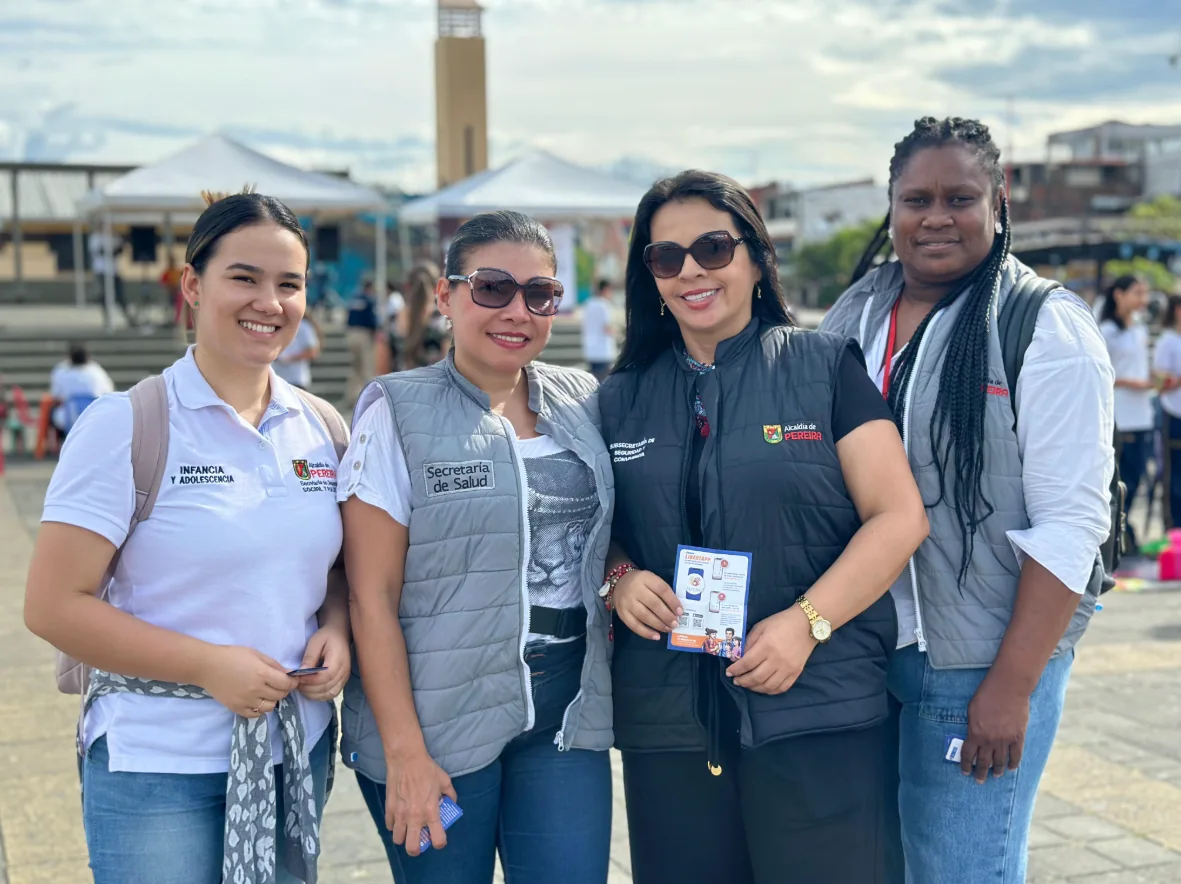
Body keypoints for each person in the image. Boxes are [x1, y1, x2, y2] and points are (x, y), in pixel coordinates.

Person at [598, 170, 929, 884]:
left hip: (817, 710)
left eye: (712, 248)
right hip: (670, 723)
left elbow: (898, 517)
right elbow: (597, 531)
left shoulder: (821, 368)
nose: (691, 271)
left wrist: (805, 623)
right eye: (665, 257)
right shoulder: (619, 398)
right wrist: (620, 577)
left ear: (754, 258)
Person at [24, 191, 352, 884]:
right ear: (193, 286)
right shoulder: (128, 423)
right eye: (245, 277)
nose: (270, 301)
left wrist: (338, 628)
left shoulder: (320, 426)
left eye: (288, 284)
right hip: (157, 764)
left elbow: (332, 574)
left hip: (293, 750)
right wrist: (208, 666)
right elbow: (53, 606)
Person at [822, 117, 1115, 884]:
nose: (935, 217)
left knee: (960, 871)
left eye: (959, 197)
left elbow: (1071, 523)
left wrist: (1009, 688)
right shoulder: (856, 313)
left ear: (998, 198)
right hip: (866, 653)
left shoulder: (1041, 325)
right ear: (890, 206)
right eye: (915, 199)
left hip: (975, 660)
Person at [338, 210, 615, 884]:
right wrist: (404, 753)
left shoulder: (582, 398)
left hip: (564, 711)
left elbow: (610, 535)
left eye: (539, 293)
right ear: (445, 296)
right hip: (436, 718)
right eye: (491, 288)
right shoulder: (396, 410)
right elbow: (369, 596)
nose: (516, 310)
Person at [1099, 275, 1154, 549]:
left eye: (1144, 293)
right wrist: (1130, 382)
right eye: (1136, 292)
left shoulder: (1140, 329)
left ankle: (1125, 532)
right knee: (1123, 479)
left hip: (1142, 414)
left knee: (1138, 476)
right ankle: (1116, 535)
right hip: (1121, 416)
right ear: (1118, 294)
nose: (1142, 299)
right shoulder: (1107, 330)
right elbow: (1101, 374)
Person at [1153, 295, 1181, 527]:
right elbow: (1159, 382)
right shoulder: (1167, 341)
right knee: (1174, 477)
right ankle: (1173, 528)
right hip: (1174, 415)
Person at [49, 343, 115, 437]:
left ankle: (60, 445)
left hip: (68, 417)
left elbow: (55, 396)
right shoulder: (97, 372)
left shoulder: (61, 372)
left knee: (54, 414)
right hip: (95, 416)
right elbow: (108, 392)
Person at [398, 262, 452, 368]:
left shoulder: (393, 319)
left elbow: (382, 369)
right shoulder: (443, 319)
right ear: (438, 288)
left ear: (407, 286)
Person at [346, 279, 381, 405]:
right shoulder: (369, 300)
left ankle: (352, 396)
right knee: (366, 366)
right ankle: (369, 397)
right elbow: (372, 320)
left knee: (355, 366)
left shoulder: (354, 299)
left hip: (351, 333)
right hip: (364, 334)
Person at [89, 229, 133, 327]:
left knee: (120, 295)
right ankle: (107, 319)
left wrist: (117, 247)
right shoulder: (96, 238)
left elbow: (120, 250)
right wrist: (113, 249)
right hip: (102, 271)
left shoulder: (114, 237)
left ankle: (128, 317)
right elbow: (101, 251)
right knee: (104, 295)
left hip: (114, 271)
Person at [581, 279, 617, 380]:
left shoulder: (588, 304)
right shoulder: (604, 305)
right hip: (603, 351)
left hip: (590, 349)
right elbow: (607, 327)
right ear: (605, 289)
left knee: (593, 380)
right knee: (602, 381)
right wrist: (618, 332)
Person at [274, 316, 321, 390]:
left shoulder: (304, 326)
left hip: (296, 379)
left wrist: (288, 359)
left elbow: (312, 352)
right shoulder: (277, 324)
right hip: (277, 379)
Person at [385, 282, 407, 372]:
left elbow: (396, 313)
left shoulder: (394, 298)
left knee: (396, 355)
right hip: (395, 331)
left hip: (396, 331)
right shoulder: (395, 297)